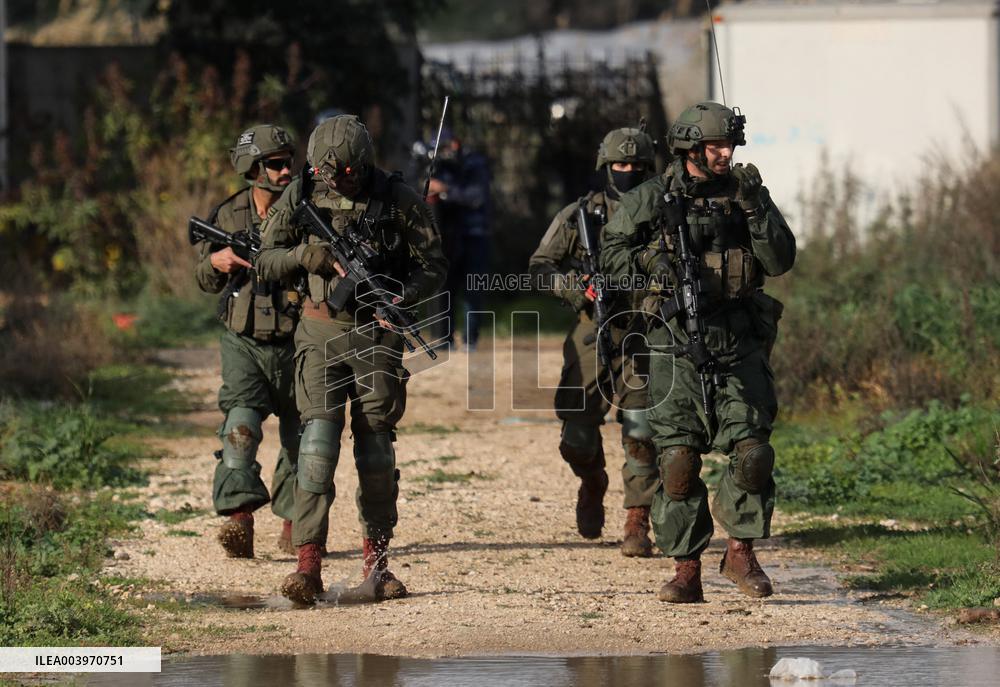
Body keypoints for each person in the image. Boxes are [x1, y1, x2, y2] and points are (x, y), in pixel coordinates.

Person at [600, 102, 795, 602]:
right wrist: (652, 263)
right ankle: (686, 568)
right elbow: (612, 257)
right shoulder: (650, 197)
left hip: (738, 341)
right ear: (690, 148)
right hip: (674, 343)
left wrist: (754, 209)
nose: (726, 153)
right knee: (679, 461)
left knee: (753, 453)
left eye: (729, 145)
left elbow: (779, 259)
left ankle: (741, 552)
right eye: (715, 146)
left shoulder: (747, 193)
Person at [256, 114, 447, 605]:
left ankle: (377, 567)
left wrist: (403, 297)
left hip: (377, 336)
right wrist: (307, 256)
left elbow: (434, 266)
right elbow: (265, 259)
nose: (335, 179)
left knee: (376, 454)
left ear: (363, 164)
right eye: (326, 171)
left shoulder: (398, 199)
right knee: (317, 447)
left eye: (345, 172)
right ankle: (308, 567)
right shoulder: (300, 193)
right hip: (319, 332)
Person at [528, 128, 660, 556]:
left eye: (637, 167)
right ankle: (592, 480)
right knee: (577, 436)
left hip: (647, 328)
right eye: (620, 166)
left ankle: (637, 521)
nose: (628, 173)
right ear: (605, 167)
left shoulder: (663, 212)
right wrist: (575, 287)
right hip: (593, 326)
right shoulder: (583, 214)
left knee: (641, 429)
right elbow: (541, 265)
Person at [193, 124, 301, 558]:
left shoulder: (306, 212)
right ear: (253, 169)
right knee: (240, 428)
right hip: (244, 343)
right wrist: (217, 262)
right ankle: (239, 523)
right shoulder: (229, 214)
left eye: (288, 162)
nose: (285, 171)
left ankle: (299, 526)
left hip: (299, 342)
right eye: (275, 164)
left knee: (306, 439)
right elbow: (203, 277)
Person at [424, 129, 491, 350]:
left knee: (473, 288)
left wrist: (445, 189)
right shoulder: (440, 167)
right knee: (446, 286)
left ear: (455, 144)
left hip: (474, 236)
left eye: (444, 147)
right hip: (450, 238)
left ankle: (471, 339)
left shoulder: (474, 163)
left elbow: (476, 196)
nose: (443, 153)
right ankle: (445, 339)